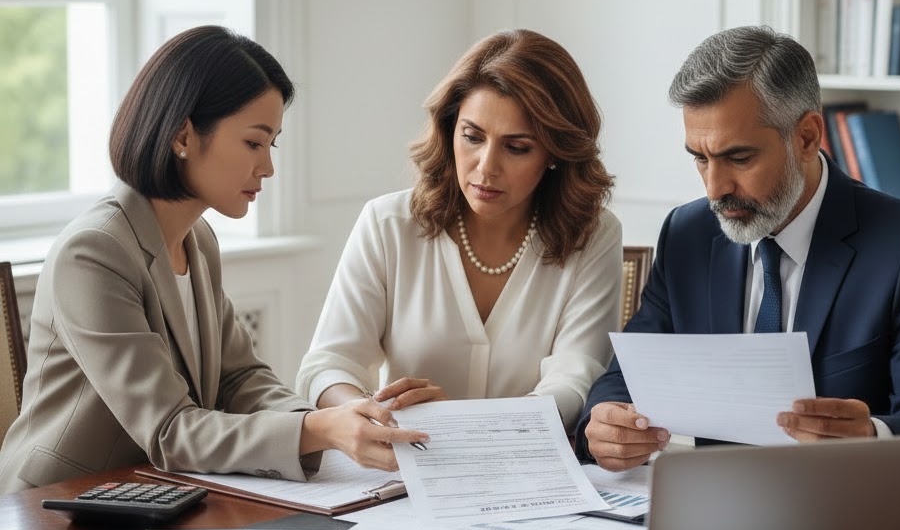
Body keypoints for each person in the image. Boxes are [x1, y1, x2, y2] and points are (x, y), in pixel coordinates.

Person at [0, 26, 427, 494]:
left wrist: (326, 420)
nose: (267, 168)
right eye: (253, 143)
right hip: (56, 509)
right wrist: (317, 432)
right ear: (183, 134)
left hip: (151, 493)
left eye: (272, 145)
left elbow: (239, 377)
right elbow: (169, 431)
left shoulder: (197, 240)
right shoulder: (93, 253)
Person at [578, 24, 900, 471]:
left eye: (739, 158)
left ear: (806, 137)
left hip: (846, 514)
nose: (715, 188)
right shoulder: (688, 233)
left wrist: (869, 437)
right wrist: (605, 422)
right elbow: (628, 374)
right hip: (714, 509)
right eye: (699, 157)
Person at [297, 28, 622, 452]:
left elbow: (573, 382)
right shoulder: (387, 223)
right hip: (404, 474)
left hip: (525, 474)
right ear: (450, 130)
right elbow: (328, 364)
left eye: (517, 147)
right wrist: (367, 417)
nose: (486, 168)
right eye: (472, 137)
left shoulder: (594, 234)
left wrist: (465, 427)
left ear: (556, 153)